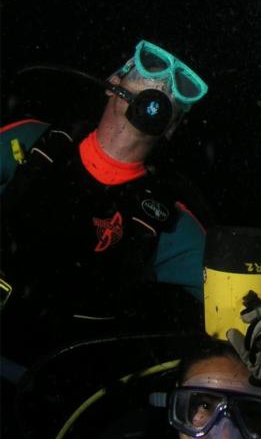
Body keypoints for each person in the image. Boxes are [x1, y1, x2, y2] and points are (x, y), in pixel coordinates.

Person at [0, 40, 210, 361]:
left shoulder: (167, 220)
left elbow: (240, 300)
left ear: (174, 124)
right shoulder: (31, 143)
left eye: (183, 84)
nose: (165, 83)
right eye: (152, 63)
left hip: (47, 382)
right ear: (114, 83)